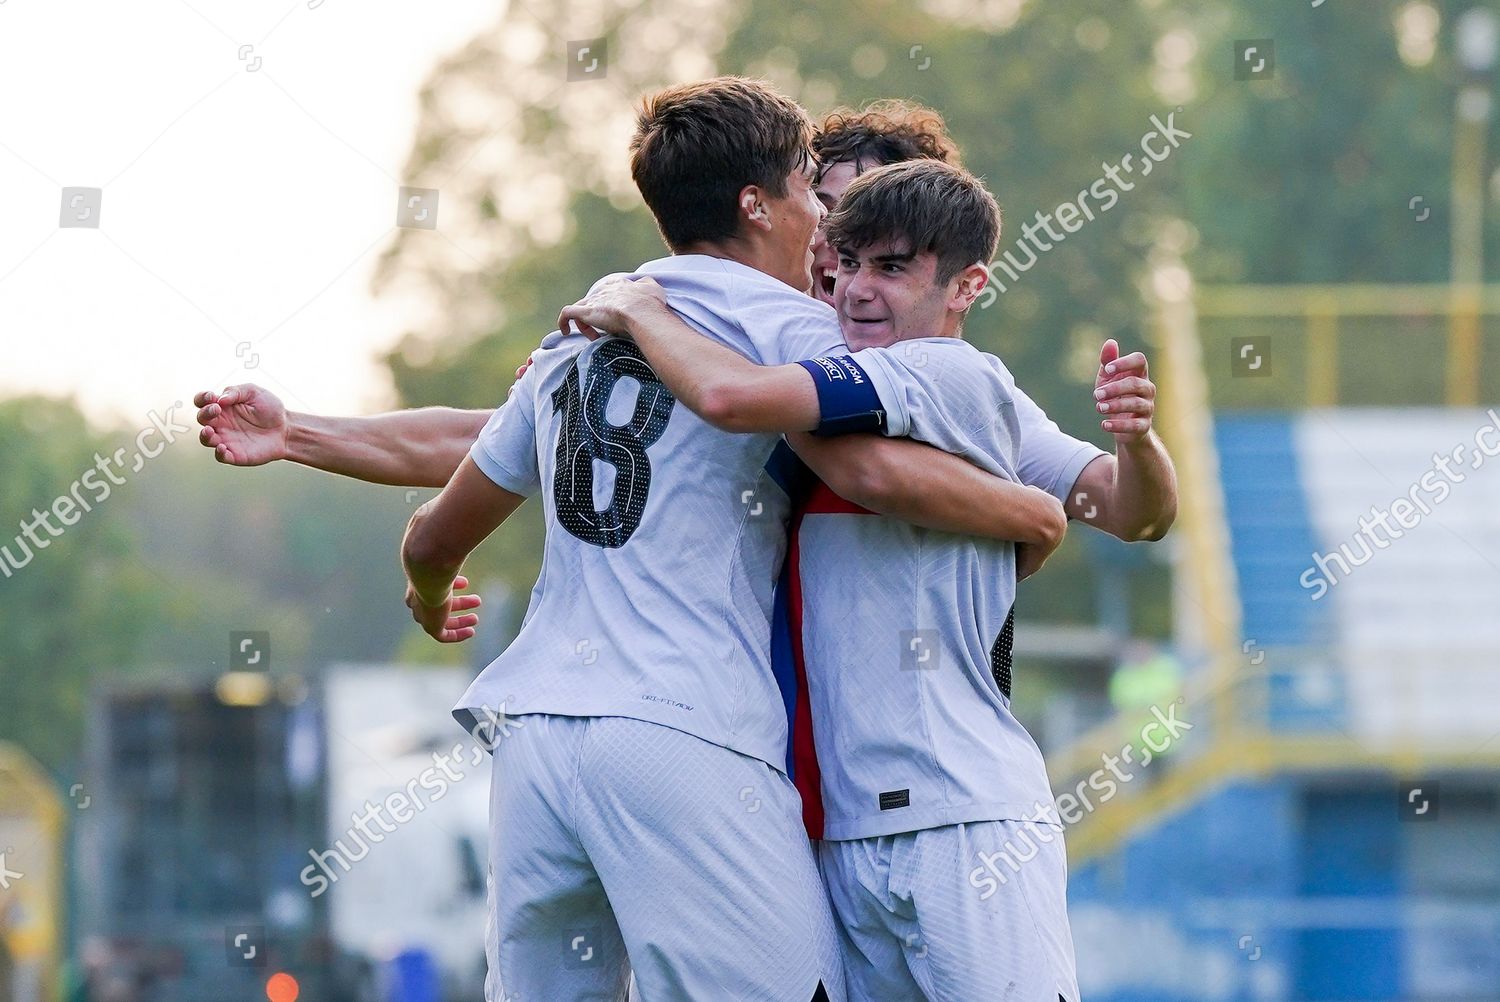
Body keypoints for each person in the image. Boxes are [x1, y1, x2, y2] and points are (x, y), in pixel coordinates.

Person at [395, 77, 1064, 1002]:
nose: (823, 226)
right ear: (757, 204)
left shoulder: (572, 341)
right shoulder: (795, 330)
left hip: (533, 736)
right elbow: (867, 470)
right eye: (805, 187)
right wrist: (1033, 512)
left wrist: (427, 591)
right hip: (684, 724)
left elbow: (437, 532)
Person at [557, 159, 1178, 1002]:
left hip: (961, 816)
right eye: (844, 261)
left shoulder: (944, 373)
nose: (853, 289)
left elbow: (731, 395)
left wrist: (636, 307)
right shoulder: (829, 376)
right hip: (841, 835)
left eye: (889, 267)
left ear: (966, 285)